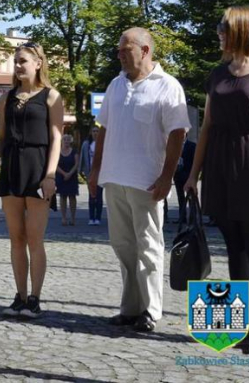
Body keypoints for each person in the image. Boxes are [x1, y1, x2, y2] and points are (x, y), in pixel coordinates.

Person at [184, 6, 249, 356]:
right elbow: (208, 127)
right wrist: (193, 174)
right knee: (234, 250)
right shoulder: (217, 75)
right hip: (221, 164)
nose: (218, 33)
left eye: (223, 27)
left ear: (242, 30)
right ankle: (242, 328)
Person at [88, 27, 190, 333]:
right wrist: (95, 170)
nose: (120, 55)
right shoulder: (115, 85)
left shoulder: (167, 86)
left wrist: (167, 176)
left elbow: (178, 133)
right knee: (122, 246)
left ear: (145, 50)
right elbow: (103, 129)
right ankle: (130, 308)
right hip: (114, 177)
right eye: (119, 50)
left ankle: (151, 310)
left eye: (125, 50)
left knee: (148, 246)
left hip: (147, 181)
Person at [0, 42, 63, 318]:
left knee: (34, 238)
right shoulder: (7, 98)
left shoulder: (51, 96)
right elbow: (1, 138)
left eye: (23, 61)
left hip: (39, 168)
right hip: (13, 168)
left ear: (38, 63)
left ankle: (35, 298)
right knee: (16, 238)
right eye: (16, 61)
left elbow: (56, 138)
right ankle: (19, 295)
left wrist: (50, 175)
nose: (18, 66)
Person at [79, 126, 104, 225]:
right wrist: (81, 170)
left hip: (101, 173)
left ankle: (98, 218)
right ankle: (91, 217)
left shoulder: (103, 144)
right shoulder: (86, 144)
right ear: (90, 132)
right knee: (91, 196)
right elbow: (82, 157)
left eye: (97, 131)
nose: (95, 133)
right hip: (90, 172)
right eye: (93, 131)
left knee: (99, 195)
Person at [56, 134, 79, 226]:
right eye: (65, 139)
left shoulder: (74, 152)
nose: (66, 141)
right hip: (61, 176)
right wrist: (64, 173)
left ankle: (73, 218)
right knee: (63, 197)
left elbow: (77, 164)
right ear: (61, 141)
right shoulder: (57, 151)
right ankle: (64, 218)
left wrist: (69, 174)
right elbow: (55, 165)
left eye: (68, 139)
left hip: (72, 176)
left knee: (72, 197)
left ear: (71, 141)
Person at [172, 137, 196, 227]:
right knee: (180, 198)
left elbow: (194, 161)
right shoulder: (174, 145)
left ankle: (192, 218)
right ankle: (182, 217)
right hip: (178, 176)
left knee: (191, 198)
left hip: (188, 176)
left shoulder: (192, 146)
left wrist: (193, 175)